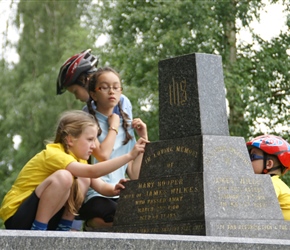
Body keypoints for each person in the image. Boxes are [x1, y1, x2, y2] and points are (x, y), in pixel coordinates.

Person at [0, 110, 148, 231]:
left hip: (45, 218)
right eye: (90, 140)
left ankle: (63, 227)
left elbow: (101, 186)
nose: (93, 146)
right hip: (18, 217)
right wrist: (129, 156)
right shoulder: (54, 154)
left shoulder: (80, 161)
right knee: (64, 177)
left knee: (82, 178)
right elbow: (93, 171)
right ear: (70, 140)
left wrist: (115, 189)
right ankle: (38, 233)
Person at [77, 66, 148, 231]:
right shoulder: (88, 124)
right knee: (114, 213)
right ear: (93, 94)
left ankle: (103, 224)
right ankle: (92, 223)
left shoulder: (126, 125)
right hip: (95, 193)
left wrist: (143, 136)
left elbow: (134, 173)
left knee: (147, 211)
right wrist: (113, 127)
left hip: (120, 192)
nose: (112, 92)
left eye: (116, 87)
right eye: (105, 87)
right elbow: (103, 155)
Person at [56, 48, 132, 119]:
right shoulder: (86, 111)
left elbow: (127, 131)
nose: (76, 97)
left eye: (75, 92)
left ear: (84, 81)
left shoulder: (121, 101)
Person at [247, 134, 290, 220]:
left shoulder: (271, 183)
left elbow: (254, 208)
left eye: (252, 157)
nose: (248, 160)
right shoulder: (276, 183)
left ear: (269, 164)